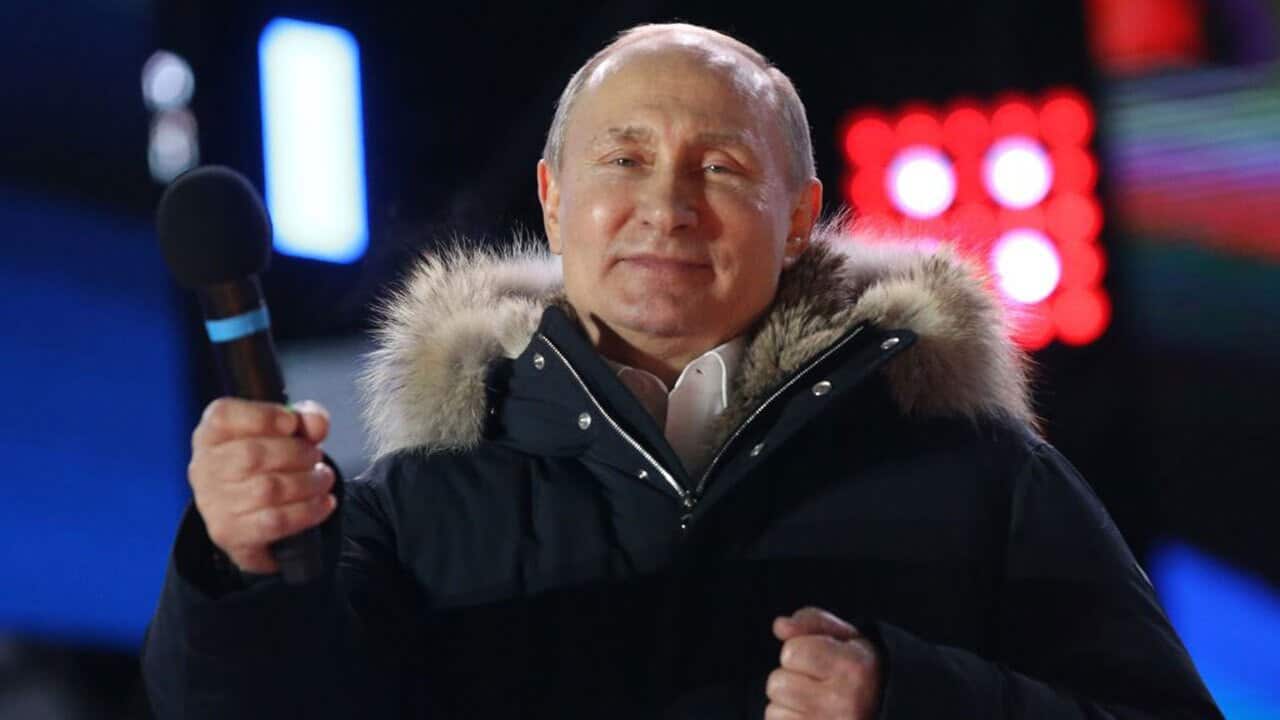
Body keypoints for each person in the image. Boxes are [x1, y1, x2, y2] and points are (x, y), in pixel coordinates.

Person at [141, 22, 1222, 719]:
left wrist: (909, 699)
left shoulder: (980, 478)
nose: (665, 204)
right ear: (555, 200)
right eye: (622, 160)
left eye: (720, 166)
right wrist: (234, 572)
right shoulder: (414, 504)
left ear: (798, 219)